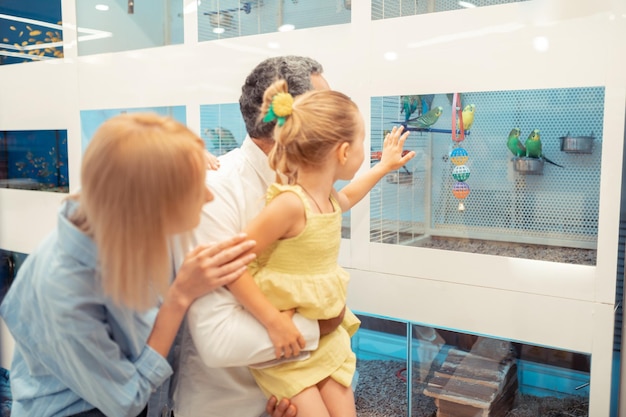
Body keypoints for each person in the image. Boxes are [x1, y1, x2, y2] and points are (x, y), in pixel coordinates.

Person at [0, 113, 257, 417]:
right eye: (193, 187)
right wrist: (180, 297)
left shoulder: (121, 222)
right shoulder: (65, 290)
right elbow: (125, 400)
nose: (209, 195)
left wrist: (172, 157)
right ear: (151, 201)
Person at [226, 80, 414, 417]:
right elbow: (232, 264)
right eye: (360, 144)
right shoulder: (290, 205)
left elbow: (351, 195)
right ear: (343, 152)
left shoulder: (326, 199)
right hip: (289, 343)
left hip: (326, 337)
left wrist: (383, 167)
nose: (361, 151)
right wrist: (273, 322)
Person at [172, 56, 341, 417]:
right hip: (227, 406)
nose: (338, 123)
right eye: (326, 109)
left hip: (290, 398)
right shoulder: (215, 192)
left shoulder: (308, 190)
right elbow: (218, 340)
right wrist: (323, 325)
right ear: (288, 122)